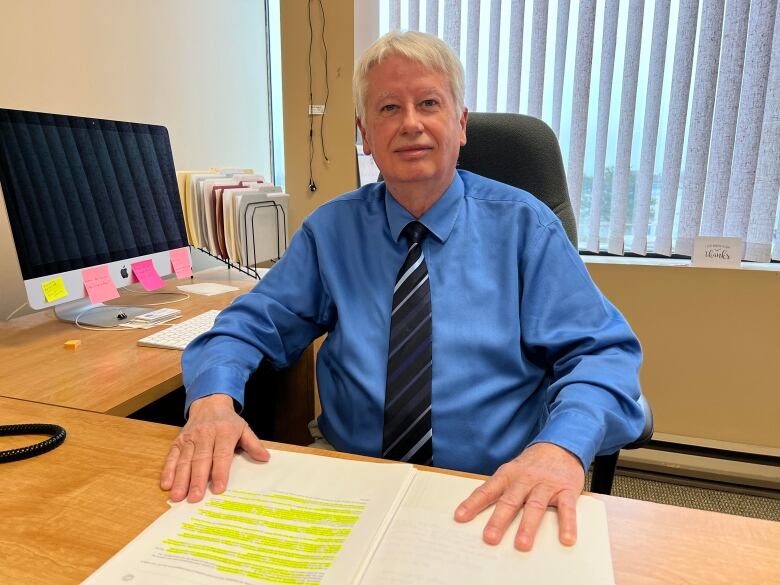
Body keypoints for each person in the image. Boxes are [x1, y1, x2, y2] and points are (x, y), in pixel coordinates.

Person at [161, 30, 645, 552]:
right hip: (348, 480)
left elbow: (602, 355)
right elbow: (245, 326)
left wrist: (560, 448)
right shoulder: (331, 233)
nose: (411, 123)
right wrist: (212, 401)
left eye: (429, 103)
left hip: (492, 485)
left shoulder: (526, 229)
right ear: (365, 134)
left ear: (460, 125)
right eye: (389, 107)